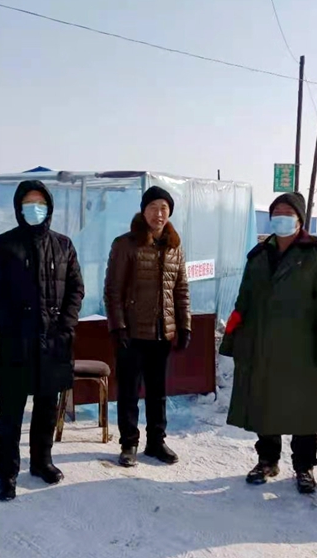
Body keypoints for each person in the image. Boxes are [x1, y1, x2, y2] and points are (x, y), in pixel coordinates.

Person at [219, 192, 317, 494]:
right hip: (262, 342)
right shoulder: (259, 255)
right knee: (265, 403)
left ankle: (304, 467)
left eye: (288, 213)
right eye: (277, 213)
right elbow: (244, 299)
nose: (281, 218)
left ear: (300, 219)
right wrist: (234, 334)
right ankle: (267, 460)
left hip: (302, 347)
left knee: (305, 409)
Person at [0, 180, 84, 502]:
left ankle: (42, 461)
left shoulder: (63, 245)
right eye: (28, 203)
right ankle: (6, 474)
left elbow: (75, 288)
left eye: (40, 203)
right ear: (18, 208)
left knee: (47, 406)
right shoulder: (3, 246)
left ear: (49, 208)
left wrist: (66, 325)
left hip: (53, 341)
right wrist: (7, 325)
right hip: (16, 341)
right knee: (11, 411)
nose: (34, 209)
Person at [104, 185, 191, 468]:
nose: (159, 213)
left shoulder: (175, 247)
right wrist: (117, 327)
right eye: (153, 207)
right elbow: (113, 290)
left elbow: (181, 289)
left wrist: (184, 326)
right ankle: (128, 443)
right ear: (143, 211)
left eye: (164, 208)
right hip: (131, 332)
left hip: (162, 332)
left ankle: (156, 442)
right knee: (129, 391)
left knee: (158, 392)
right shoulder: (125, 244)